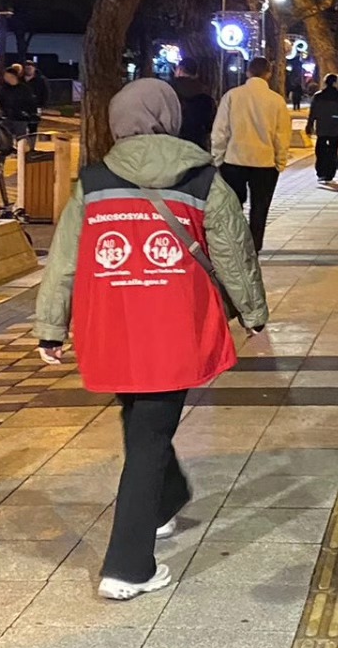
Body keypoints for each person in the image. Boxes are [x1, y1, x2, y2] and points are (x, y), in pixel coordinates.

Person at [35, 79, 268, 599]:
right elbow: (233, 251)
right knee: (149, 436)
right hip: (174, 327)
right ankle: (129, 565)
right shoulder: (203, 180)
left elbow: (65, 259)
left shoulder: (93, 182)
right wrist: (253, 312)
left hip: (113, 324)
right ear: (169, 117)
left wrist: (51, 326)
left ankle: (166, 500)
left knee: (141, 419)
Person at [211, 56, 292, 252]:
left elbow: (221, 131)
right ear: (268, 74)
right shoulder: (276, 101)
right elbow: (282, 135)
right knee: (260, 207)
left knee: (233, 206)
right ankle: (255, 245)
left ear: (248, 72)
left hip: (234, 160)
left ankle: (236, 243)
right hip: (264, 162)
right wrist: (280, 161)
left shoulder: (232, 96)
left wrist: (218, 158)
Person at [306, 73, 338, 184]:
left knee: (320, 149)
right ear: (335, 82)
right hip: (335, 128)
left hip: (322, 126)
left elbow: (313, 112)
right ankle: (330, 172)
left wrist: (310, 125)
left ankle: (321, 171)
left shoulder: (318, 96)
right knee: (332, 150)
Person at [171, 57, 216, 151]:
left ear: (179, 70)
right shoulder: (205, 93)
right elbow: (210, 123)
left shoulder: (169, 90)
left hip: (173, 142)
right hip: (197, 143)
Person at [0, 64, 40, 151]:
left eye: (7, 76)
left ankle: (21, 153)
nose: (5, 78)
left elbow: (31, 102)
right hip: (7, 117)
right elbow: (1, 102)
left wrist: (29, 113)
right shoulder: (4, 89)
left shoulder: (24, 89)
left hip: (20, 117)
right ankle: (8, 151)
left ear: (13, 76)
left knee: (21, 137)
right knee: (6, 137)